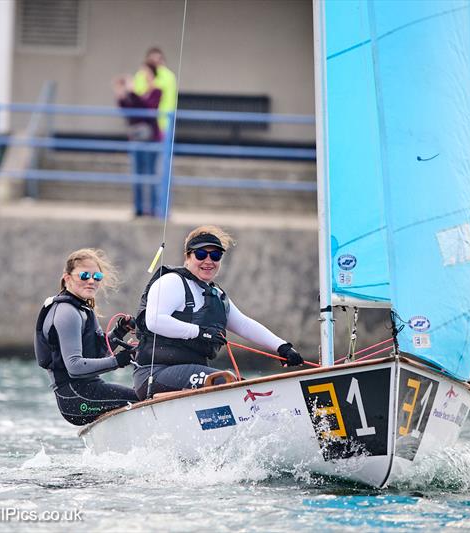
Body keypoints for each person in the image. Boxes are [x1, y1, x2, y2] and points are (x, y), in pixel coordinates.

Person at [132, 225, 304, 400]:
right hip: (155, 374)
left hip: (191, 374)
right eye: (201, 254)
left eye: (215, 256)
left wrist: (282, 347)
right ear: (188, 256)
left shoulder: (217, 295)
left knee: (244, 387)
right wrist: (200, 333)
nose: (208, 261)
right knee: (229, 383)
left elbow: (244, 325)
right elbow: (154, 320)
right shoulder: (172, 282)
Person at [34, 248, 138, 425]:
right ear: (67, 278)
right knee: (142, 399)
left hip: (88, 391)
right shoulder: (67, 313)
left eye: (97, 277)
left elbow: (98, 354)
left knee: (142, 395)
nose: (91, 281)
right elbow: (74, 366)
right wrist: (119, 361)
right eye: (84, 276)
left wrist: (120, 330)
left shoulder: (82, 309)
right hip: (76, 399)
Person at [113, 63, 162, 217]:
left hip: (151, 139)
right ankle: (139, 209)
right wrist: (121, 95)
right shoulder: (141, 94)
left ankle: (153, 209)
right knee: (137, 175)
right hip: (136, 138)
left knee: (150, 174)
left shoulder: (156, 92)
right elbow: (130, 112)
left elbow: (147, 110)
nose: (142, 75)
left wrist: (132, 92)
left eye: (145, 72)